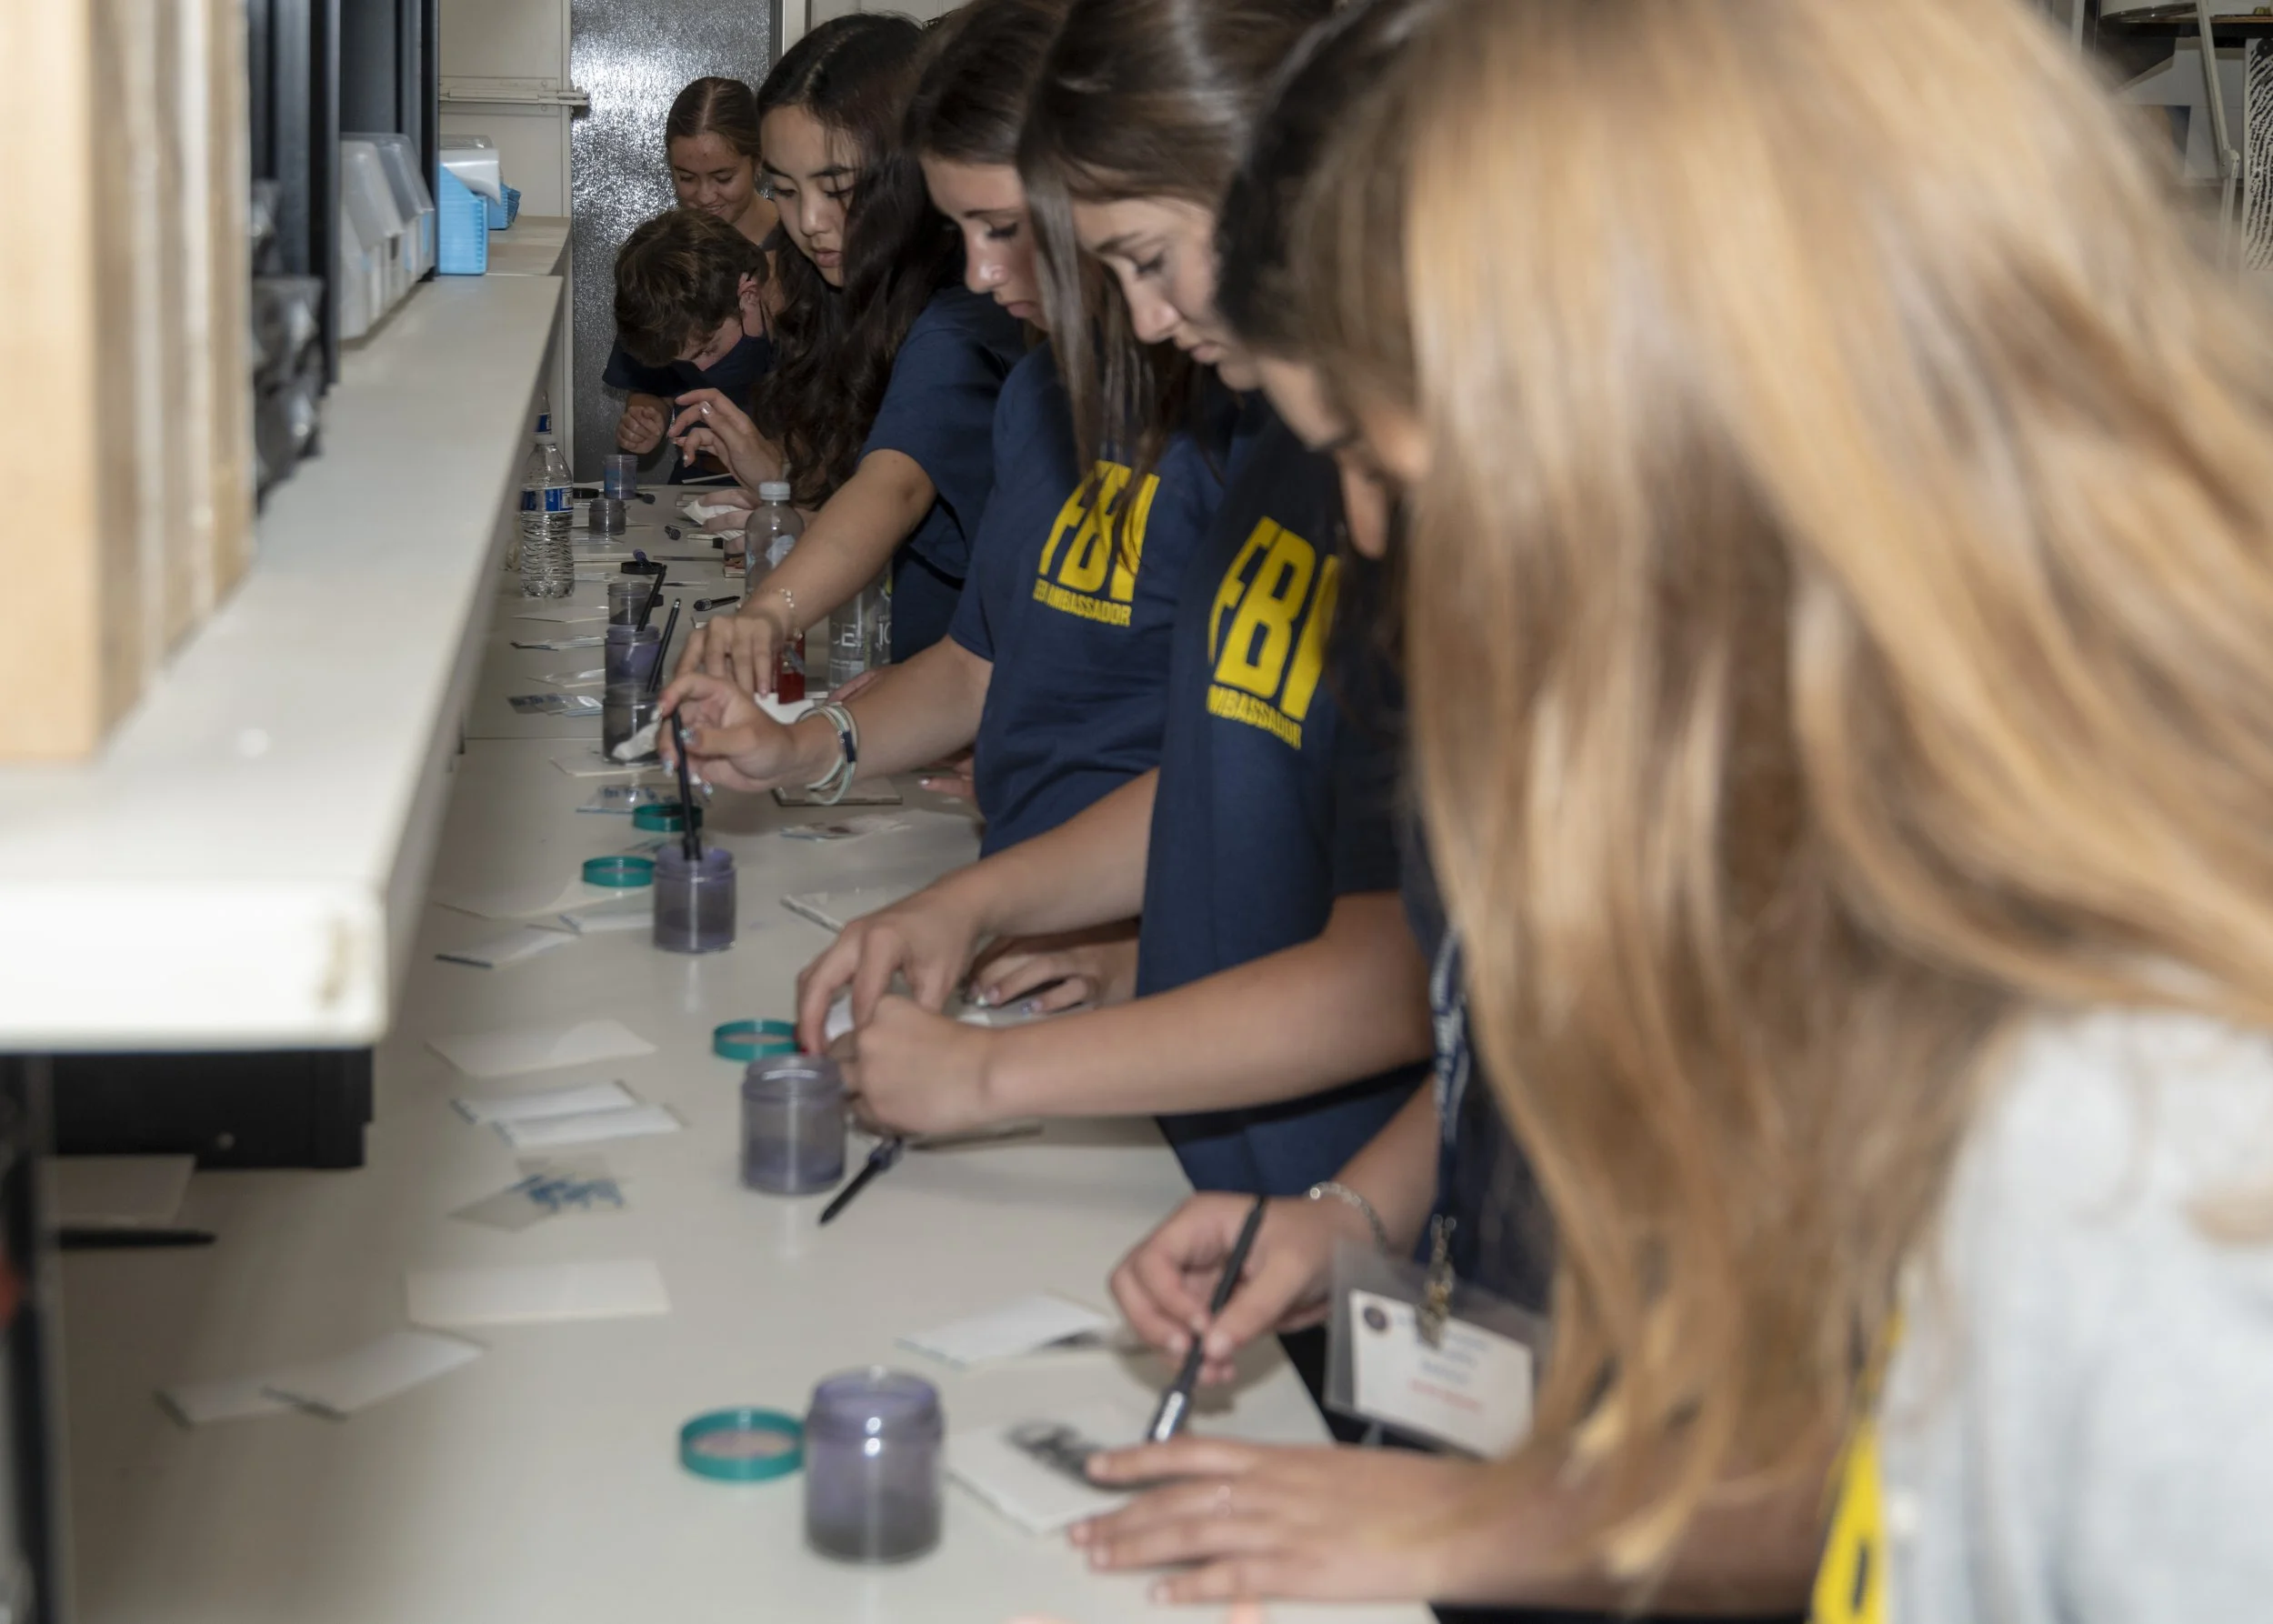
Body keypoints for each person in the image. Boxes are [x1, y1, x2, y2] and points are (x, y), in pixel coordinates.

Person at [1073, 0, 2273, 1618]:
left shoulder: (2154, 1103)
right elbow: (1873, 1461)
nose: (1365, 539)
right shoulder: (1862, 833)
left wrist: (1477, 1532)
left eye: (1389, 464)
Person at [796, 0, 1428, 1215]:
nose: (1137, 312)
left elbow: (1402, 972)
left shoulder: (1352, 453)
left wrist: (991, 1069)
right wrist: (970, 901)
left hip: (1323, 1165)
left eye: (1140, 256)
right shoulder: (1280, 442)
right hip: (1241, 1164)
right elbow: (1223, 774)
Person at [673, 14, 1026, 671]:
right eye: (783, 188)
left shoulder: (960, 316)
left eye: (839, 190)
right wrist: (794, 512)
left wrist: (760, 620)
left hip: (971, 678)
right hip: (923, 672)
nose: (809, 223)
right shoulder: (846, 296)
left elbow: (892, 490)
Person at [606, 76, 779, 476]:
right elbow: (652, 378)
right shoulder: (666, 253)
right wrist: (647, 414)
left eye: (723, 177)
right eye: (686, 178)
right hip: (698, 480)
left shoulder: (805, 254)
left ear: (758, 162)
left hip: (789, 482)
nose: (703, 196)